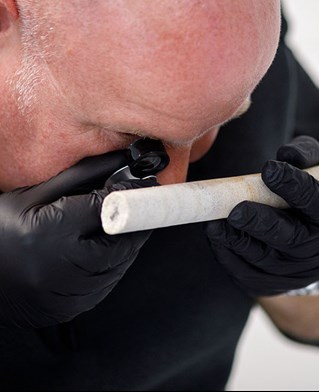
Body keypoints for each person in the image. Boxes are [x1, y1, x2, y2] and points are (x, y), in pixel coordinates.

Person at [0, 0, 319, 389]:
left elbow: (308, 320)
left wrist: (299, 279)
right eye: (131, 136)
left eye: (220, 124)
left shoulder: (229, 50)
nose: (175, 185)